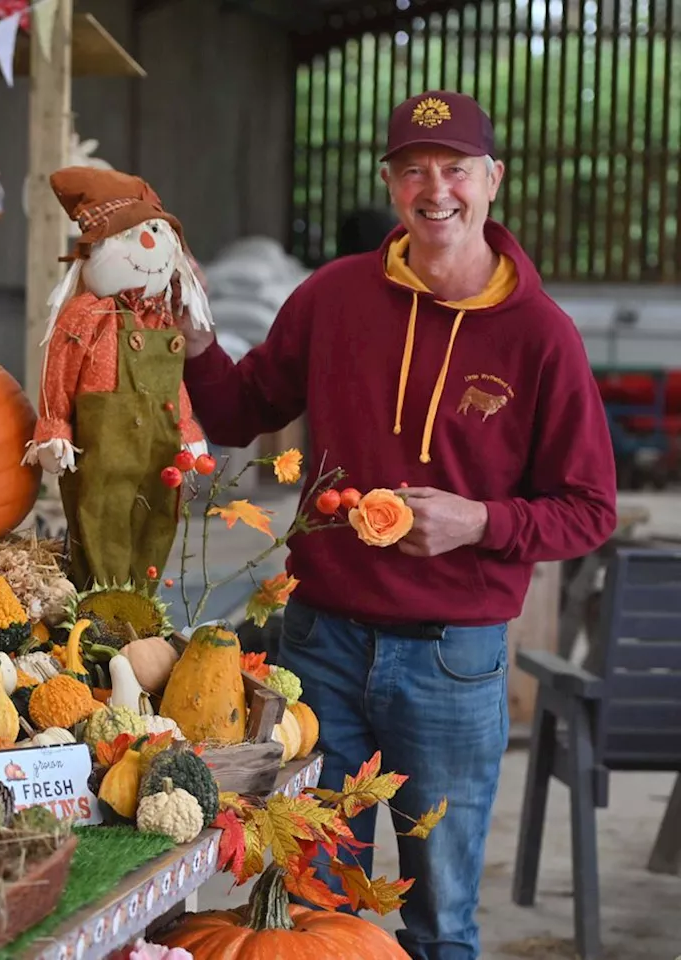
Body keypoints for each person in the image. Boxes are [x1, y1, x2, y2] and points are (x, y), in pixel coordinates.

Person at [179, 90, 617, 960]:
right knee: (309, 910)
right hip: (319, 649)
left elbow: (590, 509)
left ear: (493, 180)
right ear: (391, 183)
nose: (436, 188)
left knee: (440, 920)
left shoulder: (541, 336)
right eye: (414, 168)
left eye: (457, 168)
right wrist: (190, 334)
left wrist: (479, 522)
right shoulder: (336, 296)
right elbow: (239, 410)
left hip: (454, 659)